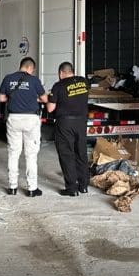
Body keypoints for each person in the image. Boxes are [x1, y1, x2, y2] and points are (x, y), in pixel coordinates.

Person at [0, 57, 47, 197]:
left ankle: (12, 187)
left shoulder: (8, 78)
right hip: (31, 119)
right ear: (31, 68)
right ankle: (32, 188)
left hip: (14, 118)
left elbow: (1, 98)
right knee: (31, 155)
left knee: (13, 153)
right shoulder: (34, 80)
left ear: (20, 66)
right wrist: (33, 98)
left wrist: (15, 98)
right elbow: (44, 99)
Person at [46, 62, 89, 196]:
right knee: (81, 153)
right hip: (81, 122)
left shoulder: (58, 86)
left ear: (61, 73)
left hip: (65, 123)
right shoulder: (84, 82)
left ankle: (71, 188)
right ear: (72, 71)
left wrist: (49, 98)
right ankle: (83, 186)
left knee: (67, 154)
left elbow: (50, 108)